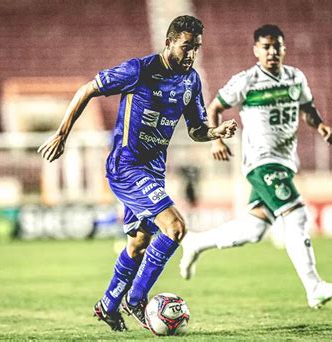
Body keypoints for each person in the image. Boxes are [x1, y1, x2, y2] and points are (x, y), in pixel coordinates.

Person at [38, 15, 237, 332]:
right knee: (175, 228)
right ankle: (136, 299)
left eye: (196, 49)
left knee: (139, 243)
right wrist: (62, 134)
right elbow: (87, 89)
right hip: (127, 167)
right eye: (186, 47)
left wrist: (216, 133)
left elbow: (197, 129)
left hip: (153, 172)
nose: (190, 55)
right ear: (169, 42)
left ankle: (108, 305)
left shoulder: (191, 81)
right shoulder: (139, 70)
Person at [179, 24, 332, 309]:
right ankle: (314, 287)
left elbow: (307, 108)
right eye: (266, 47)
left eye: (277, 46)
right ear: (256, 50)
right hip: (261, 162)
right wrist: (216, 140)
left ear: (284, 49)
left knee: (254, 230)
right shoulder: (246, 81)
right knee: (296, 214)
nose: (272, 52)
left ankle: (196, 242)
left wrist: (320, 125)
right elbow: (214, 108)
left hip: (285, 162)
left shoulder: (296, 78)